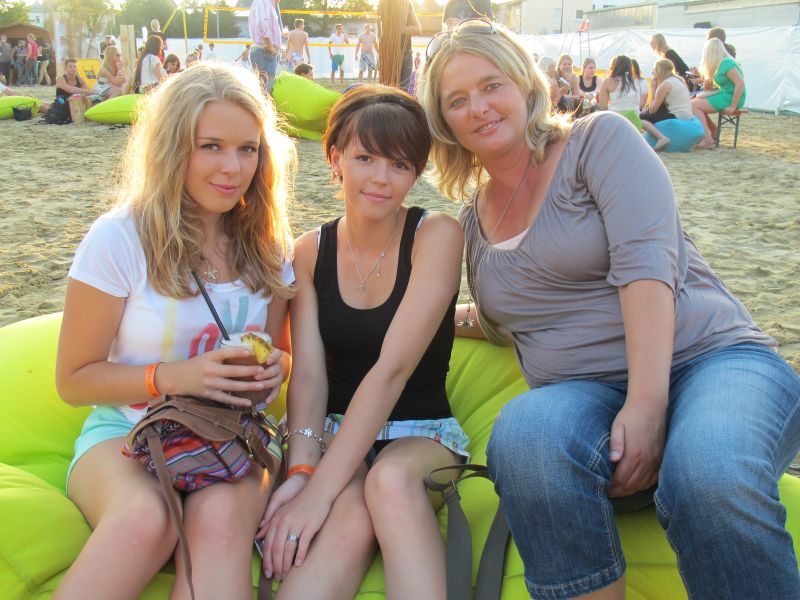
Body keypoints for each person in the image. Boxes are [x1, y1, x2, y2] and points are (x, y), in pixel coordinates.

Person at [419, 19, 800, 600]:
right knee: (523, 436)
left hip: (710, 360)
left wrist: (646, 405)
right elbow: (502, 322)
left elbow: (647, 268)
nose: (479, 107)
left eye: (491, 85)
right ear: (444, 121)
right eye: (457, 100)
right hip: (588, 398)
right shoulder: (472, 222)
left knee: (707, 474)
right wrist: (420, 322)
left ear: (524, 83)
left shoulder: (597, 141)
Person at [53, 62, 295, 599]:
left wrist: (277, 368)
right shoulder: (119, 238)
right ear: (172, 147)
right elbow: (73, 379)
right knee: (148, 520)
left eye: (248, 149)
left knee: (221, 526)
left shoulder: (269, 244)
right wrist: (175, 377)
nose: (233, 168)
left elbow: (281, 353)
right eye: (210, 146)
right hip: (126, 429)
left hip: (232, 434)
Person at [257, 85, 467, 599]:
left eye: (399, 165)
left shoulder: (436, 235)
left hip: (420, 431)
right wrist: (303, 472)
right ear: (335, 159)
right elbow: (309, 375)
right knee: (346, 513)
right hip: (330, 430)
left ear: (416, 173)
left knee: (388, 482)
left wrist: (316, 495)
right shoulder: (310, 251)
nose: (380, 178)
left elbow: (392, 370)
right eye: (365, 158)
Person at [691, 38, 746, 150]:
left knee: (693, 105)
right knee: (693, 103)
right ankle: (713, 131)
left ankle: (707, 137)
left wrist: (733, 106)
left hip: (731, 97)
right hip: (726, 94)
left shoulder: (726, 63)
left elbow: (740, 83)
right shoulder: (722, 63)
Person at [639, 58, 694, 151]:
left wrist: (652, 89)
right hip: (686, 114)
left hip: (677, 116)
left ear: (659, 71)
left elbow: (652, 110)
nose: (652, 72)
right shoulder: (678, 80)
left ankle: (662, 138)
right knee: (647, 113)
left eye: (654, 70)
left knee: (641, 117)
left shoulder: (665, 84)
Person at [377, 0, 420, 91]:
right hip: (388, 56)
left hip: (405, 55)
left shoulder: (407, 4)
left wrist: (402, 30)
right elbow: (380, 30)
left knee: (403, 93)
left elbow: (418, 29)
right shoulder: (384, 3)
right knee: (386, 91)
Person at [597, 55, 643, 129]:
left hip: (615, 121)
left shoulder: (608, 81)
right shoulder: (636, 82)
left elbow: (602, 107)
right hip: (634, 123)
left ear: (615, 66)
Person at [249, 0, 281, 94]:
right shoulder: (264, 1)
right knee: (264, 92)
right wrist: (270, 46)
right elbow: (261, 24)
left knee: (263, 90)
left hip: (265, 51)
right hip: (265, 52)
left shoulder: (267, 3)